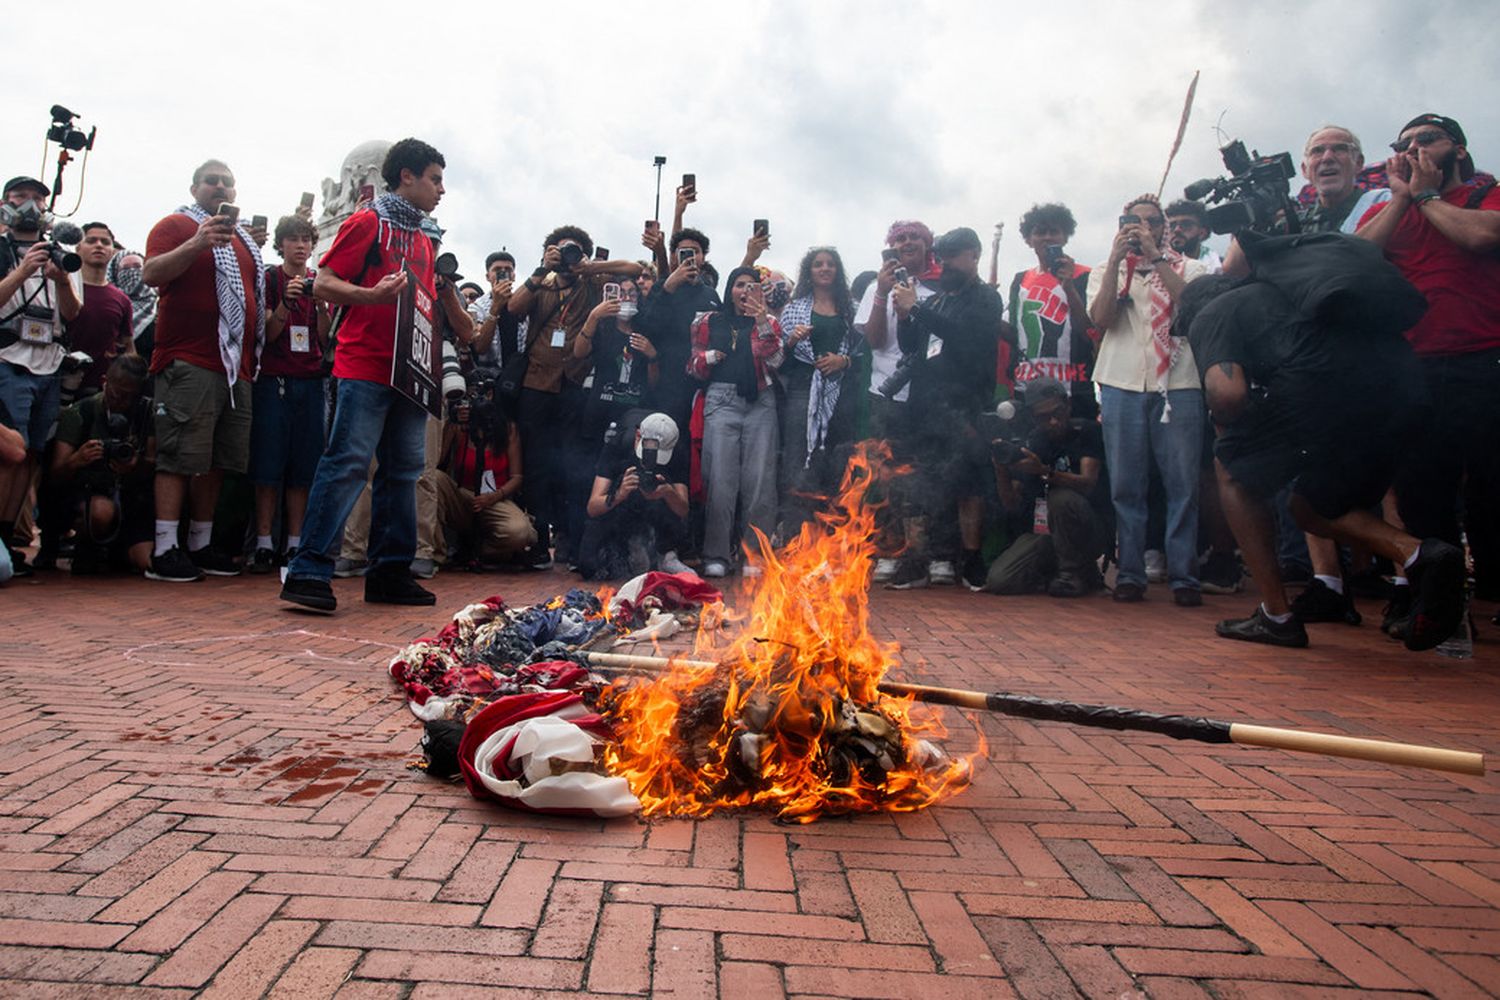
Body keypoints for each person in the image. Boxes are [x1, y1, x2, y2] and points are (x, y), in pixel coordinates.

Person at [1181, 233, 1464, 650]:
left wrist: (1236, 431)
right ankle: (1422, 554)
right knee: (1312, 506)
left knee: (1232, 468)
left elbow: (1228, 395)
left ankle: (1276, 616)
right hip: (1404, 383)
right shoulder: (1286, 289)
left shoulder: (1211, 314)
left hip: (1325, 385)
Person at [280, 138, 461, 613]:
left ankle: (389, 572)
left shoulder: (423, 239)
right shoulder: (367, 222)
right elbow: (323, 282)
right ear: (407, 176)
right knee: (347, 464)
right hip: (363, 365)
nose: (442, 190)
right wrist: (372, 296)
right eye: (435, 179)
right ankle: (308, 571)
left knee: (403, 472)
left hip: (409, 372)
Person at [1356, 113, 1500, 630]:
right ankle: (1438, 602)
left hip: (1485, 359)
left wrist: (1426, 197)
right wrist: (1400, 198)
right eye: (1404, 143)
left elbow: (1483, 237)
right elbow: (1358, 258)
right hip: (1415, 364)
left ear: (1458, 149)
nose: (1413, 148)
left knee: (1490, 486)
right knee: (1420, 490)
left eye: (1427, 139)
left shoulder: (1486, 196)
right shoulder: (1402, 208)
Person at [140, 159, 265, 582]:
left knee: (216, 459)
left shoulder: (244, 241)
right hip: (190, 359)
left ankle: (199, 542)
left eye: (228, 182)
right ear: (195, 188)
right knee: (178, 456)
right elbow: (151, 274)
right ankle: (164, 547)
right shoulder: (175, 225)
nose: (220, 187)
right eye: (211, 181)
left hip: (236, 367)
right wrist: (197, 243)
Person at [1087, 194, 1208, 605]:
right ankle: (1131, 574)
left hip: (1179, 382)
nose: (1141, 227)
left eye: (1151, 221)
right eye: (1131, 220)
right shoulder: (1108, 270)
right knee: (1126, 484)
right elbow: (1101, 319)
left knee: (1183, 485)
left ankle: (1184, 578)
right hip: (1121, 382)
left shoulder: (1190, 267)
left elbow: (1191, 307)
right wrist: (1116, 263)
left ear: (1164, 227)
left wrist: (1157, 259)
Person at [506, 227, 643, 569]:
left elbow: (632, 270)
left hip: (573, 385)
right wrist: (541, 270)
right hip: (537, 384)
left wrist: (589, 267)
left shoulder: (591, 285)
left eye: (575, 251)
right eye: (561, 251)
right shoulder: (541, 284)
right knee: (536, 466)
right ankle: (537, 541)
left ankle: (568, 537)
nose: (567, 258)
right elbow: (513, 308)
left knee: (571, 465)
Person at [889, 226, 1002, 591]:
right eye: (942, 257)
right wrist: (905, 316)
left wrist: (917, 308)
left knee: (967, 485)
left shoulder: (985, 298)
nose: (946, 263)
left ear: (974, 255)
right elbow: (912, 347)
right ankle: (920, 559)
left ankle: (970, 561)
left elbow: (966, 338)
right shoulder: (937, 301)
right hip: (926, 404)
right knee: (920, 482)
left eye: (953, 256)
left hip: (967, 404)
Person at [0, 175, 84, 577]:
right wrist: (22, 270)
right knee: (8, 451)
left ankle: (10, 538)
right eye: (21, 197)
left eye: (37, 198)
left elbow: (72, 313)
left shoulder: (64, 254)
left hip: (49, 362)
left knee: (31, 454)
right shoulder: (3, 249)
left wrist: (61, 277)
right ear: (5, 202)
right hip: (9, 359)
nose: (30, 205)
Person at [854, 220, 941, 583]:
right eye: (899, 239)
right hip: (884, 393)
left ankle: (925, 557)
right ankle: (890, 550)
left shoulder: (940, 286)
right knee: (885, 478)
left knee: (921, 479)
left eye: (914, 238)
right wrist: (881, 293)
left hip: (927, 394)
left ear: (927, 245)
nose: (906, 244)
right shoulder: (878, 285)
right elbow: (873, 341)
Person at [247, 215, 331, 574]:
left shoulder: (321, 282)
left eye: (305, 239)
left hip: (311, 380)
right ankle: (264, 542)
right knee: (268, 461)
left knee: (303, 465)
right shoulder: (269, 278)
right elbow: (266, 332)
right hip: (275, 379)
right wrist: (285, 301)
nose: (300, 246)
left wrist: (324, 305)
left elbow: (328, 341)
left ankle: (294, 541)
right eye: (292, 239)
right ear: (280, 244)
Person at [689, 267, 784, 577]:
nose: (745, 291)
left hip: (761, 401)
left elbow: (776, 360)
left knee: (760, 480)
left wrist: (760, 320)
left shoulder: (769, 322)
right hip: (721, 399)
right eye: (739, 285)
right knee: (720, 480)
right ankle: (716, 554)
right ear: (729, 290)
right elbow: (692, 366)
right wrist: (710, 358)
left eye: (752, 286)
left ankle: (753, 554)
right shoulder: (707, 321)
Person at [982, 378, 1108, 596]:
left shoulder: (1087, 432)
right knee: (999, 580)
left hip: (1089, 528)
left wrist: (1045, 472)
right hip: (1045, 531)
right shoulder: (1034, 441)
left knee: (1061, 499)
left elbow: (1088, 483)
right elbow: (1011, 503)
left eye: (1057, 413)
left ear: (1068, 405)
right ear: (1033, 417)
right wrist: (1001, 470)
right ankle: (1056, 572)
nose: (1053, 421)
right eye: (1043, 417)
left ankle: (1071, 574)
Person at [776, 247, 858, 538]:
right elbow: (777, 362)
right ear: (808, 272)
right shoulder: (794, 308)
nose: (824, 268)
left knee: (836, 464)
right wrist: (791, 341)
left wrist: (842, 361)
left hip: (839, 396)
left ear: (837, 271)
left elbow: (864, 355)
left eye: (830, 264)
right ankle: (795, 539)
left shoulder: (853, 309)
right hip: (801, 393)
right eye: (818, 264)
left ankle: (830, 541)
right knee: (798, 464)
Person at [49, 354, 155, 574]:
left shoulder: (146, 413)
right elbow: (55, 475)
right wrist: (77, 460)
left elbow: (153, 465)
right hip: (86, 495)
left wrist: (134, 466)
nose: (122, 402)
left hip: (131, 499)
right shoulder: (80, 413)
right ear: (105, 381)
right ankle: (85, 545)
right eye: (117, 394)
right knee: (101, 512)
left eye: (130, 397)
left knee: (147, 562)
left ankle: (118, 551)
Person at [1007, 203, 1096, 419]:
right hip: (1028, 387)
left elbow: (1092, 332)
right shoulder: (1020, 280)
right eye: (1040, 232)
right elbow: (1012, 332)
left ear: (1065, 237)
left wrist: (1069, 287)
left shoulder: (1086, 276)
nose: (1047, 237)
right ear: (1029, 240)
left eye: (1054, 231)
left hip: (1075, 386)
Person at [578, 411, 690, 580]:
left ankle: (666, 553)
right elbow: (593, 507)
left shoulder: (676, 449)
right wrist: (619, 494)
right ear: (638, 436)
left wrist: (668, 493)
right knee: (589, 564)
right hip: (620, 514)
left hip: (656, 519)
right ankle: (629, 554)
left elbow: (683, 510)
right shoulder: (618, 445)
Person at [433, 382, 534, 567]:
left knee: (520, 533)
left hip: (495, 498)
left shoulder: (508, 428)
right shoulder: (460, 426)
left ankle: (478, 550)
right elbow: (438, 460)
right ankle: (437, 553)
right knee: (433, 478)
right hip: (463, 495)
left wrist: (494, 496)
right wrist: (453, 421)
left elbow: (517, 477)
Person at [64, 222, 135, 396]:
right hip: (57, 380)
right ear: (78, 248)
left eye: (105, 242)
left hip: (97, 388)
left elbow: (129, 347)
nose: (98, 245)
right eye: (91, 240)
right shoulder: (62, 286)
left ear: (112, 250)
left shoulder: (122, 300)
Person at [468, 251, 523, 371]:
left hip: (519, 378)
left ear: (513, 275)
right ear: (488, 276)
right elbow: (479, 347)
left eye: (508, 269)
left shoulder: (523, 304)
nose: (503, 273)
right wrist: (495, 307)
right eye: (497, 269)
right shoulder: (476, 307)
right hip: (490, 377)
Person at [106, 249, 158, 367]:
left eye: (137, 266)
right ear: (115, 274)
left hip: (153, 373)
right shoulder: (111, 305)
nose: (132, 272)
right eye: (125, 268)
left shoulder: (160, 304)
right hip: (116, 373)